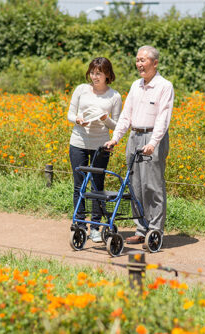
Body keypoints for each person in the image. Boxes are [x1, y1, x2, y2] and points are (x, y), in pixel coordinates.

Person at [104, 45, 174, 246]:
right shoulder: (136, 85)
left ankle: (154, 230)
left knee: (152, 186)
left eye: (143, 60)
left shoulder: (164, 86)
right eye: (137, 60)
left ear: (155, 63)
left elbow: (163, 118)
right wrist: (115, 138)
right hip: (135, 136)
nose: (139, 64)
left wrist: (153, 143)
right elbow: (126, 115)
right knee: (135, 186)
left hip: (153, 137)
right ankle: (141, 229)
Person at [68, 57, 122, 243]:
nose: (94, 76)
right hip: (78, 142)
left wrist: (106, 119)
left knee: (98, 186)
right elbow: (70, 113)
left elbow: (117, 125)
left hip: (101, 145)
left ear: (108, 74)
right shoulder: (81, 90)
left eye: (99, 73)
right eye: (92, 72)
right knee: (79, 185)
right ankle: (80, 225)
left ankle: (96, 227)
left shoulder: (114, 96)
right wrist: (78, 120)